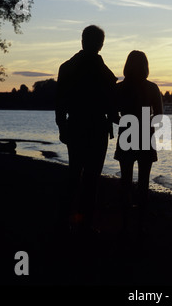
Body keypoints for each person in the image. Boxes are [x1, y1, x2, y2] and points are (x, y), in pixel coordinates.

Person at [55, 25, 117, 232]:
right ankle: (83, 223)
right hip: (96, 127)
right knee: (91, 177)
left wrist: (62, 125)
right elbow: (111, 97)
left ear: (82, 41)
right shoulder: (100, 68)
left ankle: (69, 220)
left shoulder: (67, 67)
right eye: (99, 42)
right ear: (100, 44)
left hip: (76, 125)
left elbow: (60, 102)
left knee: (75, 174)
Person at [114, 50, 163, 210]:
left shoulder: (120, 88)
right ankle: (141, 222)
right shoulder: (152, 88)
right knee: (144, 183)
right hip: (145, 135)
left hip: (126, 134)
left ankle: (125, 223)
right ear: (145, 66)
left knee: (125, 182)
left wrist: (123, 122)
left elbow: (112, 113)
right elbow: (159, 115)